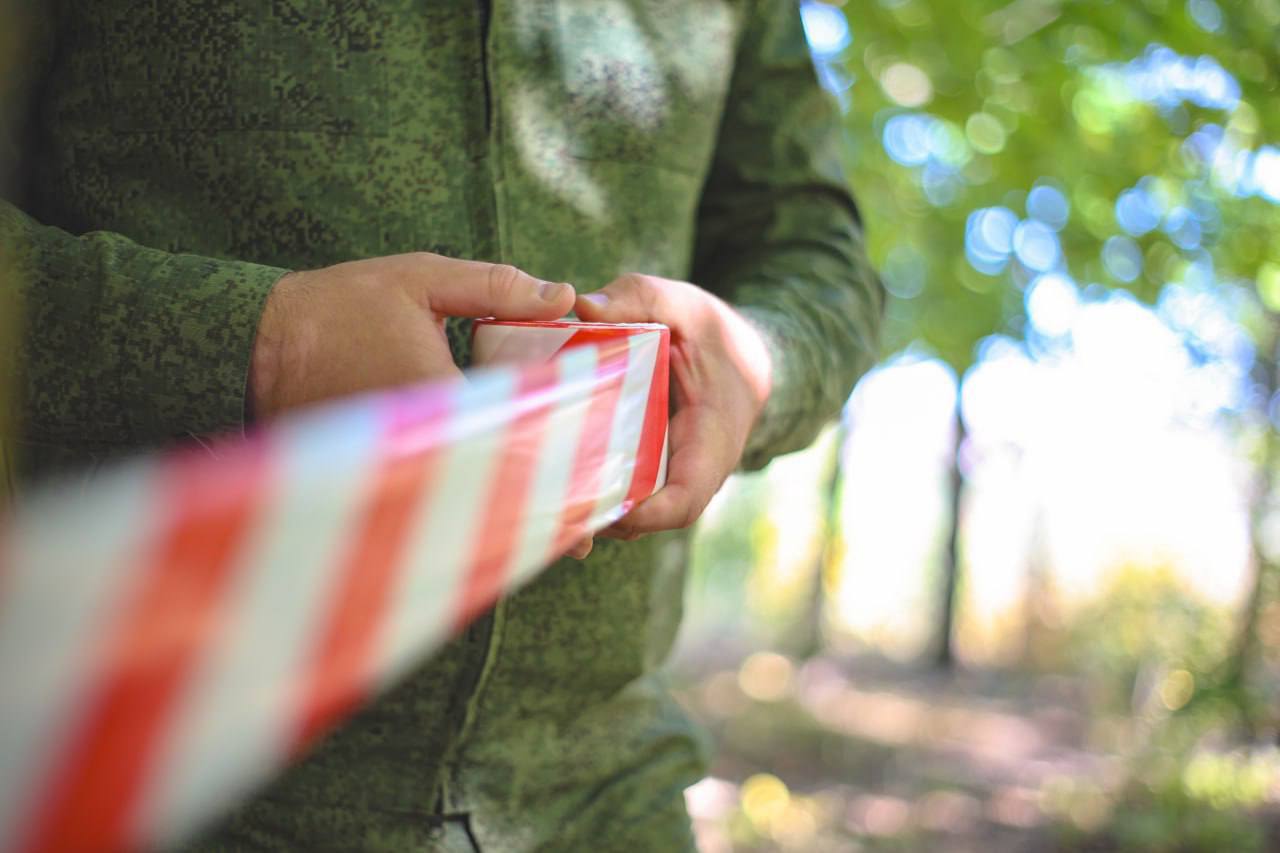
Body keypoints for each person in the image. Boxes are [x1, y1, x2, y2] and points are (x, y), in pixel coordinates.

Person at [0, 0, 883, 849]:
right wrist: (259, 344)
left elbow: (813, 254)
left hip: (609, 794)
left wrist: (759, 361)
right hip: (142, 784)